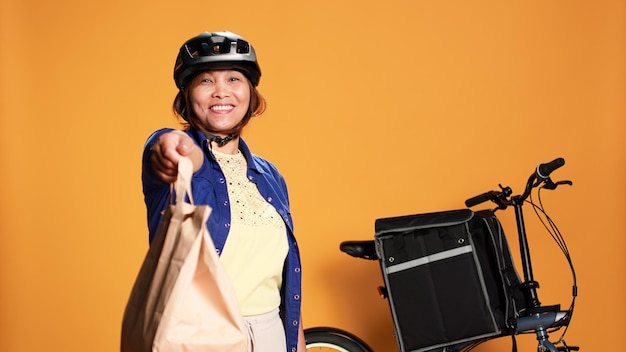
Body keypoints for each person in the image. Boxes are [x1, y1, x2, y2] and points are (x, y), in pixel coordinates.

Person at [141, 31, 305, 352]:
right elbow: (173, 149)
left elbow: (282, 279)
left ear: (250, 92)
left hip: (271, 332)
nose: (221, 92)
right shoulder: (179, 155)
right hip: (201, 336)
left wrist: (295, 344)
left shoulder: (271, 176)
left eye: (233, 79)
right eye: (205, 81)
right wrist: (173, 148)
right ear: (187, 96)